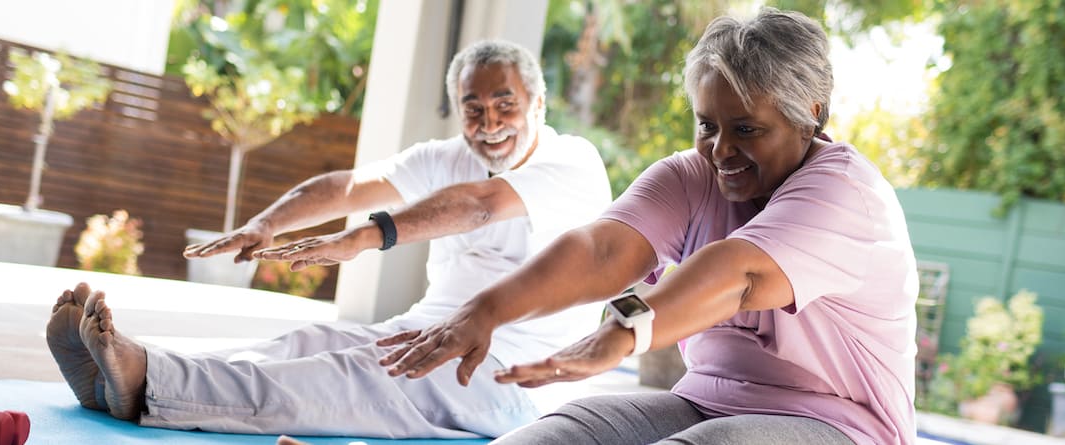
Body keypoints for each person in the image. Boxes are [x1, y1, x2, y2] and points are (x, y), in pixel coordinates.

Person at [378, 9, 918, 445]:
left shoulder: (847, 193)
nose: (721, 150)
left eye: (747, 129)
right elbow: (602, 252)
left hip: (842, 427)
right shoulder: (692, 173)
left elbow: (739, 275)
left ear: (810, 116)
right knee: (562, 432)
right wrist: (483, 313)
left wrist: (620, 333)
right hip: (704, 400)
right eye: (707, 125)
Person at [43, 39, 611, 439]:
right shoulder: (448, 156)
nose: (490, 123)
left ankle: (148, 382)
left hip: (514, 376)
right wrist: (266, 224)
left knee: (347, 376)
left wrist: (369, 237)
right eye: (474, 108)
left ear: (538, 104)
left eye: (505, 105)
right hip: (425, 331)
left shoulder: (573, 162)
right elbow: (350, 186)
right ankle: (124, 379)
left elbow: (480, 206)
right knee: (308, 344)